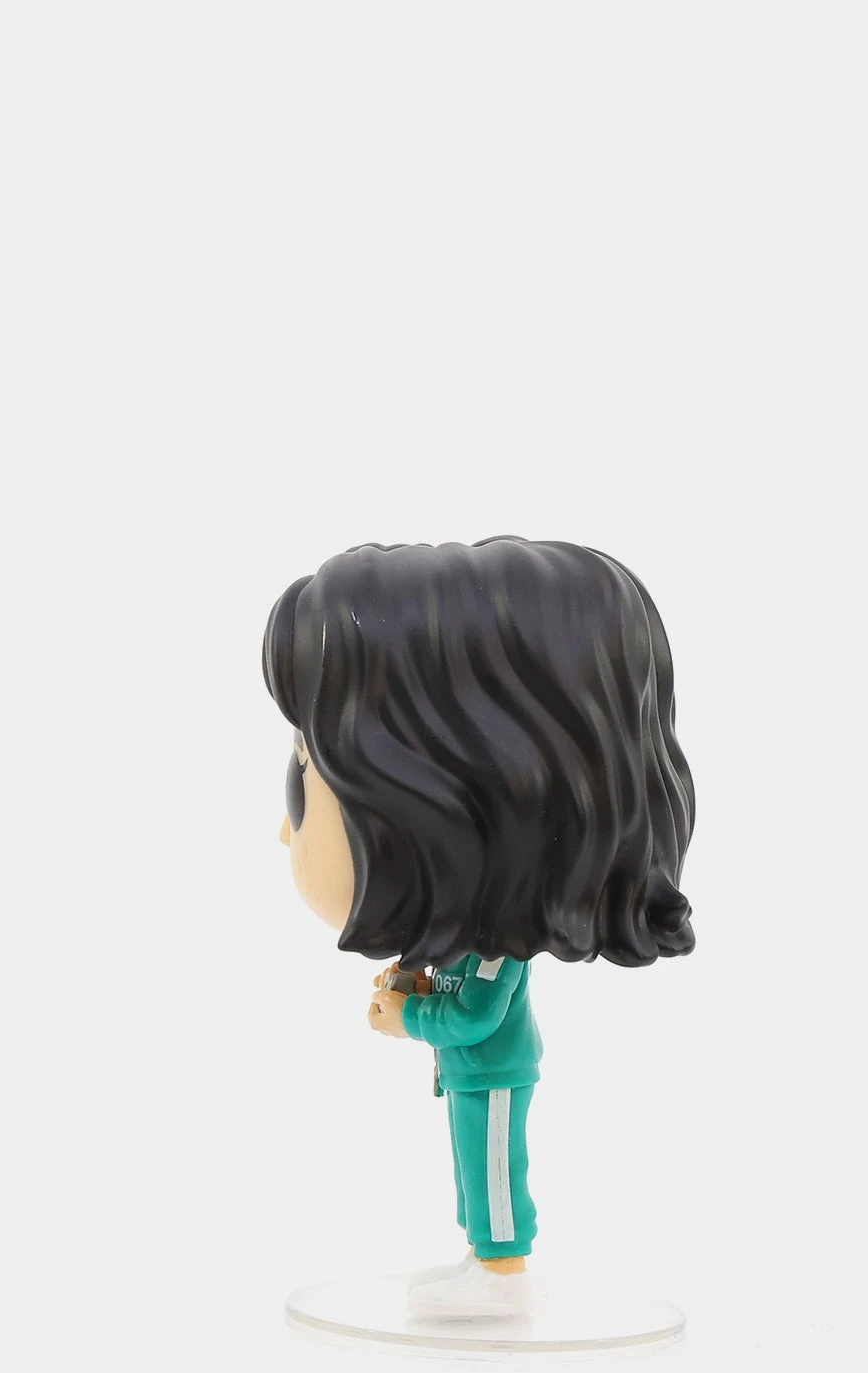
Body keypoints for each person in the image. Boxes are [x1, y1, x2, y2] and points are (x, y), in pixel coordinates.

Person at [263, 536, 695, 1318]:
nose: (285, 828)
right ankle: (482, 1259)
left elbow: (474, 1016)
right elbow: (455, 989)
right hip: (471, 1074)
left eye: (305, 781)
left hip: (490, 1071)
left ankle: (501, 1272)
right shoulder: (473, 937)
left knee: (494, 1167)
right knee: (473, 1166)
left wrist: (406, 1017)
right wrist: (413, 975)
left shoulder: (500, 949)